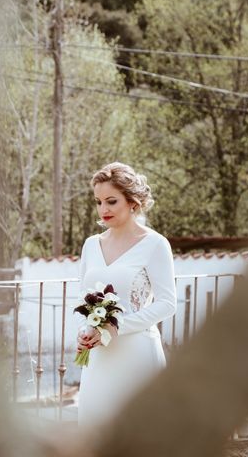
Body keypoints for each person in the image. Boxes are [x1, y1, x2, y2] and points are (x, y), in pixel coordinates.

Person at [76, 162, 177, 429]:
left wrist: (114, 327)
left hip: (137, 356)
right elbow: (82, 299)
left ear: (132, 202)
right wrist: (84, 331)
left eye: (111, 201)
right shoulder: (91, 245)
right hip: (99, 359)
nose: (103, 209)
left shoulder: (155, 244)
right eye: (98, 202)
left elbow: (167, 304)